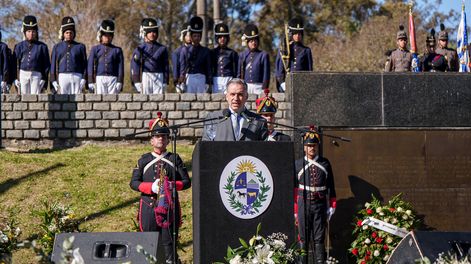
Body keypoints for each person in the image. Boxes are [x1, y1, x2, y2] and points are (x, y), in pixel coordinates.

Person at [130, 112, 191, 264]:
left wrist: (169, 186)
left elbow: (186, 182)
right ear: (151, 140)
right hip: (148, 207)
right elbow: (134, 183)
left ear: (168, 140)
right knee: (148, 244)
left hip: (169, 208)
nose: (161, 139)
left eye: (164, 136)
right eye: (157, 136)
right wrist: (151, 187)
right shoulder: (144, 160)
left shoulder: (174, 158)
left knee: (169, 245)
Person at [296, 127, 336, 264]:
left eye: (314, 145)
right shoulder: (298, 164)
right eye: (309, 146)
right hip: (303, 203)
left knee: (319, 237)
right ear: (304, 148)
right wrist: (295, 209)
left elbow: (331, 185)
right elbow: (294, 188)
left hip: (319, 205)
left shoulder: (325, 163)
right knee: (303, 237)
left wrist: (332, 204)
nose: (312, 148)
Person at [202, 78, 267, 141]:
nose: (236, 98)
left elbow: (264, 149)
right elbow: (206, 146)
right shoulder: (213, 118)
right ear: (226, 96)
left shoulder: (259, 121)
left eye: (240, 94)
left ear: (246, 96)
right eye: (232, 94)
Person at [131, 18, 169, 94]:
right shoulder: (140, 48)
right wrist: (136, 81)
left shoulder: (162, 48)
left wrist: (165, 80)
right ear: (145, 33)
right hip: (146, 76)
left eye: (154, 31)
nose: (152, 34)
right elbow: (135, 65)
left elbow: (166, 66)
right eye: (149, 32)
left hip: (159, 76)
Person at [13, 15, 50, 94]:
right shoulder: (19, 46)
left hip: (37, 75)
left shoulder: (42, 47)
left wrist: (44, 79)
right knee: (23, 98)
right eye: (29, 31)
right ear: (25, 32)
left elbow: (46, 66)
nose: (31, 33)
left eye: (33, 31)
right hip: (23, 74)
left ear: (36, 32)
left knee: (36, 98)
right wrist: (15, 79)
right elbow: (14, 64)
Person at [50, 16, 87, 94]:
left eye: (71, 32)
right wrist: (53, 80)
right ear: (63, 33)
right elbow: (53, 65)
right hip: (63, 76)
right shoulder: (57, 47)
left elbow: (84, 65)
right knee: (63, 100)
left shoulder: (80, 46)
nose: (69, 34)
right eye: (67, 33)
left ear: (74, 33)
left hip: (77, 75)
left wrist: (84, 78)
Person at [275, 17, 313, 92]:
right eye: (295, 33)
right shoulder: (284, 49)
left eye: (299, 33)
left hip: (301, 84)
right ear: (291, 34)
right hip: (286, 83)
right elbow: (280, 68)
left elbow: (309, 70)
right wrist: (282, 83)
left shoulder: (306, 50)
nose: (297, 36)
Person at [87, 19, 124, 94]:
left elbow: (120, 67)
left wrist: (120, 81)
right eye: (105, 35)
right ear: (101, 35)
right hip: (99, 78)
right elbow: (90, 65)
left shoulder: (117, 50)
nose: (107, 37)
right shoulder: (95, 49)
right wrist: (90, 81)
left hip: (113, 78)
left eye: (109, 35)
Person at [178, 16, 212, 93]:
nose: (197, 38)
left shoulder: (205, 51)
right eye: (194, 36)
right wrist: (181, 78)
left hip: (201, 77)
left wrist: (209, 81)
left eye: (198, 36)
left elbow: (208, 68)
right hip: (190, 76)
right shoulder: (185, 50)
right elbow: (182, 67)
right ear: (191, 37)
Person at [238, 24, 270, 94]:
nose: (253, 42)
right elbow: (239, 74)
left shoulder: (263, 55)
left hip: (259, 86)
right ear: (247, 42)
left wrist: (264, 88)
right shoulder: (242, 55)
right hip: (245, 86)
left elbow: (266, 74)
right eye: (251, 41)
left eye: (255, 40)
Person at [210, 22, 238, 93]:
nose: (222, 39)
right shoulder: (212, 52)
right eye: (220, 37)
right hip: (216, 79)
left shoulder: (232, 53)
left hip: (229, 78)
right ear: (217, 38)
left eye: (224, 37)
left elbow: (236, 69)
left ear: (227, 38)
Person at [172, 22, 191, 93]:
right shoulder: (177, 52)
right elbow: (175, 67)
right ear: (183, 36)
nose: (189, 38)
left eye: (190, 35)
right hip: (181, 79)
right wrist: (176, 81)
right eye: (187, 36)